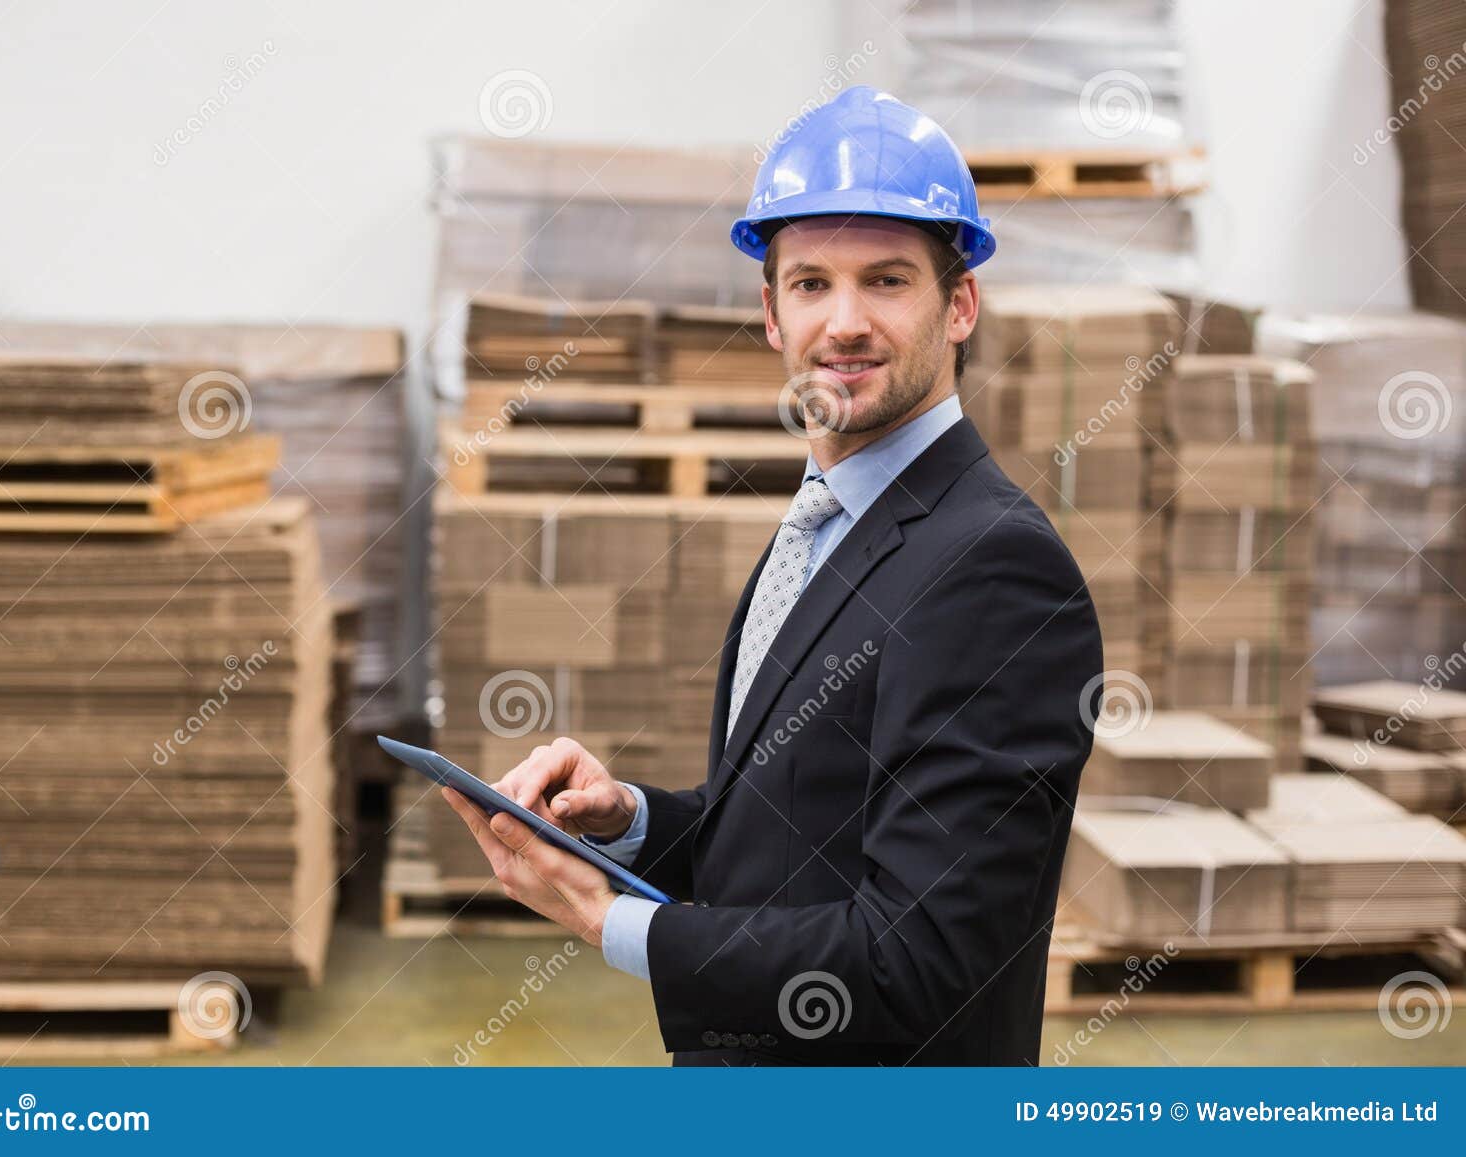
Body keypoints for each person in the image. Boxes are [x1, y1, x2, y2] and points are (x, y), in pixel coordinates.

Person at [442, 85, 1103, 1066]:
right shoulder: (828, 523)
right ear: (769, 311)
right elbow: (791, 841)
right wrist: (626, 822)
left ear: (959, 304)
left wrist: (606, 921)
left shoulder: (991, 567)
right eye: (810, 284)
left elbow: (921, 955)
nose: (843, 322)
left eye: (886, 281)